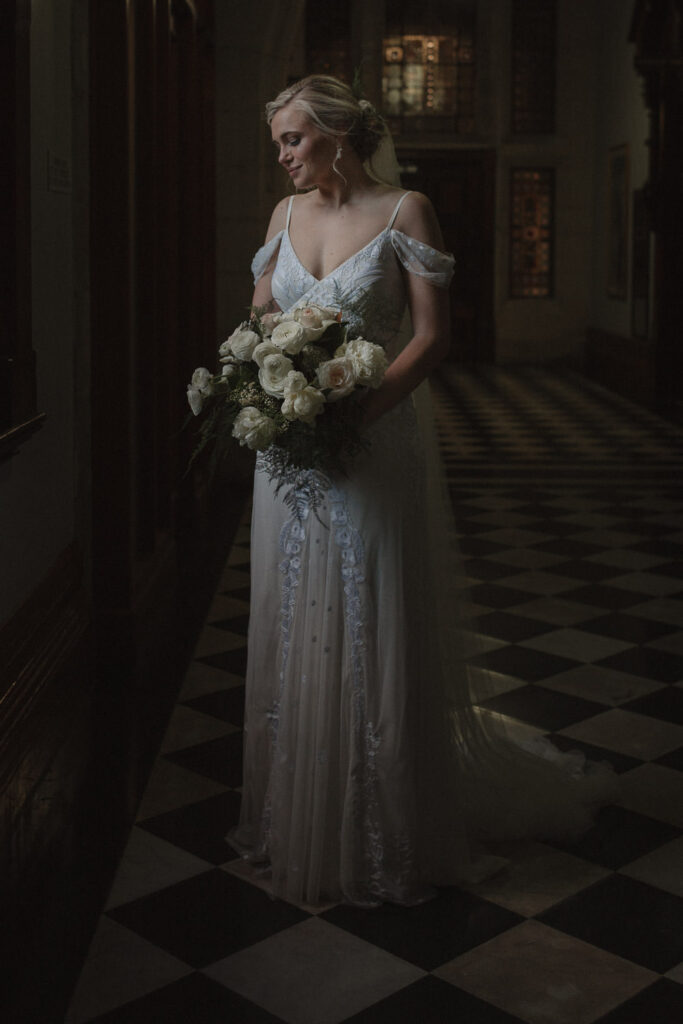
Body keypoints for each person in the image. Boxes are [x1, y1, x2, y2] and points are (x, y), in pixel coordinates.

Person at [228, 75, 615, 908]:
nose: (283, 156)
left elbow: (432, 337)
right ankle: (300, 813)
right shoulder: (283, 216)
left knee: (370, 609)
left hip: (373, 439)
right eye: (278, 143)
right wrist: (270, 391)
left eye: (293, 139)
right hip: (290, 452)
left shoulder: (406, 211)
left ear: (338, 134)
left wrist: (353, 414)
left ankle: (387, 826)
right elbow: (257, 323)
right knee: (291, 612)